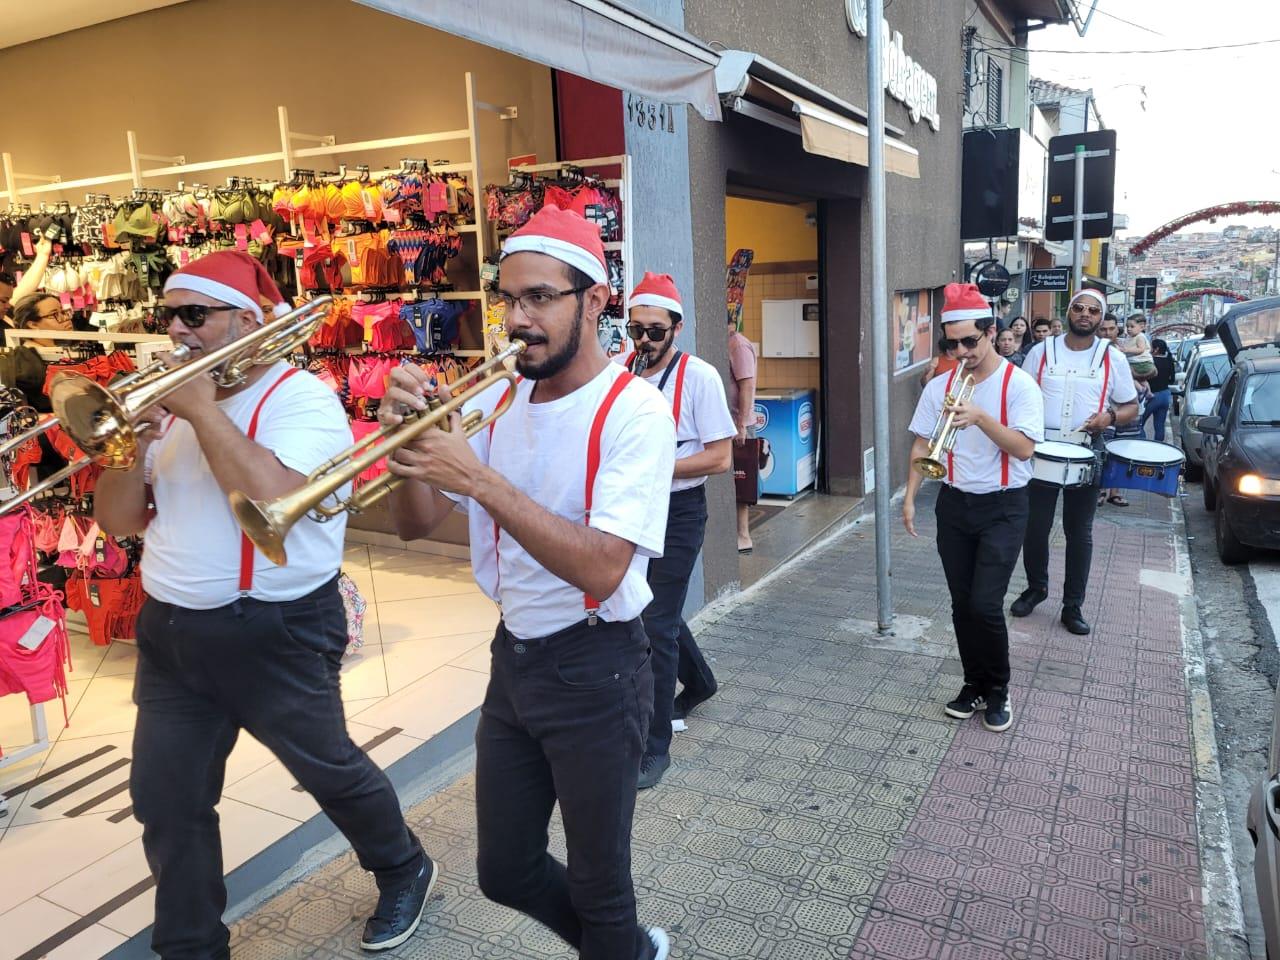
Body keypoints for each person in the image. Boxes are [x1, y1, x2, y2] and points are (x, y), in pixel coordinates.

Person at [94, 251, 434, 959]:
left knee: (329, 770)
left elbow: (274, 493)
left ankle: (403, 864)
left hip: (275, 628)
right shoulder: (169, 402)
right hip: (171, 632)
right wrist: (131, 448)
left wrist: (198, 410)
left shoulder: (300, 397)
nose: (177, 331)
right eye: (169, 316)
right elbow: (120, 522)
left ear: (248, 321)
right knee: (167, 800)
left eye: (196, 315)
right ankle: (191, 946)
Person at [381, 206, 676, 960]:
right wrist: (405, 445)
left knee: (601, 890)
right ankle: (628, 952)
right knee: (503, 869)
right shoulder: (494, 399)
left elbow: (604, 567)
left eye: (541, 297)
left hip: (599, 665)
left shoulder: (634, 411)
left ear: (597, 301)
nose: (519, 319)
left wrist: (479, 479)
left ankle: (619, 946)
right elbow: (414, 523)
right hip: (514, 659)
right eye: (510, 299)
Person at [903, 283, 1043, 733]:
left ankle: (998, 687)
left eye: (970, 341)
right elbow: (923, 443)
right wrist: (909, 496)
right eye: (952, 343)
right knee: (962, 604)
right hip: (955, 504)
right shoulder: (941, 386)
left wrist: (981, 417)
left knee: (985, 604)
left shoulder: (1019, 385)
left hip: (1004, 506)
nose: (961, 351)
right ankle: (973, 684)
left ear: (992, 332)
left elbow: (1023, 449)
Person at [621, 273, 734, 789]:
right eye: (635, 330)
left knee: (653, 623)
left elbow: (719, 456)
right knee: (653, 610)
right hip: (632, 508)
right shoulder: (624, 370)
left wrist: (656, 467)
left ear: (678, 328)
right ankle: (702, 682)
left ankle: (656, 744)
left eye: (654, 331)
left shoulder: (702, 376)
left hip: (679, 510)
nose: (643, 341)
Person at [1012, 288, 1139, 636]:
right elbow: (1020, 396)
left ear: (1101, 318)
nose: (1085, 315)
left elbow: (1131, 406)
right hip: (1042, 450)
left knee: (1078, 532)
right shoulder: (1040, 351)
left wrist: (1109, 417)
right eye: (1079, 308)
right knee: (1034, 527)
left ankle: (1073, 605)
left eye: (1093, 311)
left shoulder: (1113, 357)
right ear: (1069, 312)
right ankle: (1036, 588)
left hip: (1087, 448)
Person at [728, 314, 757, 554]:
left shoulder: (737, 344)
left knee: (741, 480)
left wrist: (741, 425)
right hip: (728, 424)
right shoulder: (728, 343)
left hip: (737, 426)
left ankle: (743, 535)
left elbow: (746, 384)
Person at [1141, 338, 1176, 442]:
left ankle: (1143, 444)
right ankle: (1158, 447)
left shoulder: (1150, 361)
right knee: (1160, 426)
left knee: (1139, 424)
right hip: (1165, 394)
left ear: (1156, 349)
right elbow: (1172, 380)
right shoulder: (1169, 360)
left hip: (1152, 395)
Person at [1120, 312, 1156, 379]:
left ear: (1141, 327)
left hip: (1141, 363)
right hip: (1134, 362)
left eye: (1132, 326)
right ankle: (1142, 384)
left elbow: (1141, 349)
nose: (1129, 329)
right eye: (1127, 326)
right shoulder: (1129, 337)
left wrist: (1127, 350)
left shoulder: (1140, 337)